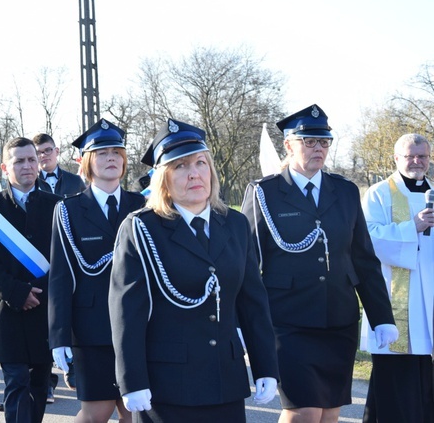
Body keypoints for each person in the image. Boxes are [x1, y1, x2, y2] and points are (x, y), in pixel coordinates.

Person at [109, 118, 278, 422]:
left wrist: (266, 366)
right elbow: (126, 312)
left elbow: (253, 302)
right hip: (166, 385)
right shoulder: (141, 228)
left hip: (224, 379)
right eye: (181, 166)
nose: (194, 173)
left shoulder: (235, 224)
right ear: (163, 179)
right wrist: (132, 380)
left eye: (200, 162)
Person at [241, 104, 396, 423]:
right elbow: (245, 265)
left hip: (339, 320)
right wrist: (242, 324)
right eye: (308, 141)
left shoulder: (346, 191)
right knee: (304, 411)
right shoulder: (264, 193)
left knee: (329, 412)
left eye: (324, 142)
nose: (318, 148)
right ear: (288, 144)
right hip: (287, 322)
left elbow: (363, 259)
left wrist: (382, 317)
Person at [49, 119, 145, 423]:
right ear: (87, 161)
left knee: (136, 412)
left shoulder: (140, 204)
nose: (112, 158)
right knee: (96, 412)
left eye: (117, 152)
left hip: (138, 326)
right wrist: (59, 336)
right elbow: (61, 277)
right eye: (102, 153)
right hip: (92, 329)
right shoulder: (68, 210)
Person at [0, 137, 61, 423]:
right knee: (16, 382)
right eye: (19, 161)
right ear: (4, 167)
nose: (27, 166)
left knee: (39, 384)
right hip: (8, 311)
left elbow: (64, 260)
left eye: (31, 159)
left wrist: (42, 293)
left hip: (45, 310)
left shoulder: (58, 206)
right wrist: (18, 292)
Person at [359, 133, 434, 422]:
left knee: (424, 376)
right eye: (410, 156)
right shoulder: (379, 193)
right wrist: (410, 227)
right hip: (398, 296)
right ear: (396, 158)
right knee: (396, 373)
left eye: (423, 156)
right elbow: (367, 240)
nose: (417, 161)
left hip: (430, 296)